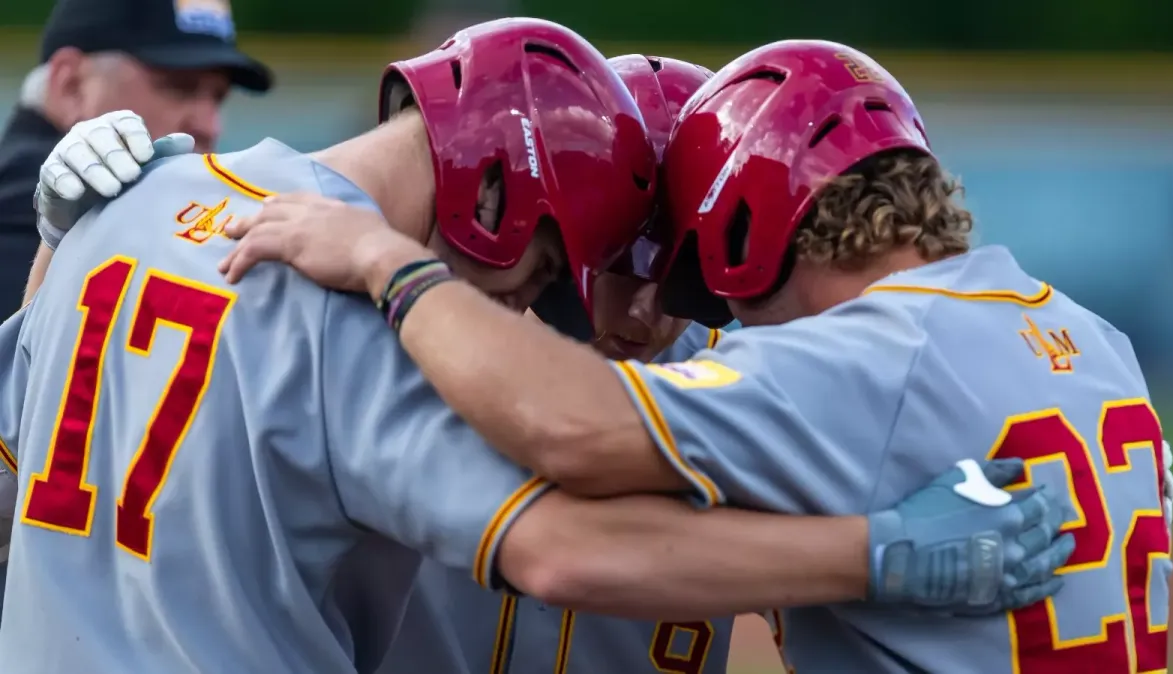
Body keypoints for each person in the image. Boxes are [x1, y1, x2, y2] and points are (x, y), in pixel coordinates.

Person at [0, 23, 1069, 673]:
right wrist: (879, 552)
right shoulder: (378, 325)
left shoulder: (156, 197)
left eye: (683, 275)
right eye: (582, 267)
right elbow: (561, 541)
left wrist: (65, 254)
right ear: (508, 198)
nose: (640, 306)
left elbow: (20, 447)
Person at [385, 54, 738, 674]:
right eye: (623, 265)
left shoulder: (759, 387)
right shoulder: (418, 339)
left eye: (682, 273)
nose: (646, 312)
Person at [0, 0, 271, 315]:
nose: (209, 125)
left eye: (218, 97)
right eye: (180, 87)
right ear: (71, 86)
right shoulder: (26, 202)